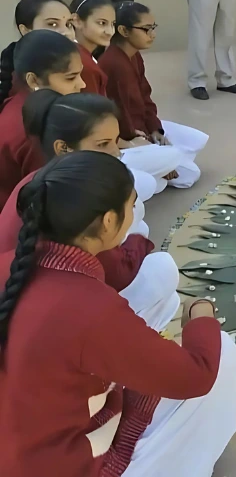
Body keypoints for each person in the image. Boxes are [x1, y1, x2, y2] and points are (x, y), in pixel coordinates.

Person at [0, 151, 236, 477]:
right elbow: (193, 376)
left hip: (18, 444)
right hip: (54, 463)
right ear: (109, 220)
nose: (134, 212)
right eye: (132, 203)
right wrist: (201, 318)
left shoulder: (16, 265)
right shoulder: (87, 307)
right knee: (221, 355)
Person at [0, 90, 176, 330]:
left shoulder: (46, 178)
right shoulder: (79, 199)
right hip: (52, 316)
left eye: (115, 142)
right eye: (103, 144)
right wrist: (138, 243)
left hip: (31, 299)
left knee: (139, 215)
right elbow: (117, 273)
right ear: (63, 148)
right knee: (164, 267)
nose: (116, 153)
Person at [100, 2, 206, 191]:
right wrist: (147, 145)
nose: (153, 34)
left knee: (196, 140)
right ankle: (154, 167)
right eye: (146, 29)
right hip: (126, 139)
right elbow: (119, 115)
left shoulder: (134, 56)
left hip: (143, 129)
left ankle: (162, 161)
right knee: (189, 175)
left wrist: (155, 129)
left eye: (153, 28)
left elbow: (145, 97)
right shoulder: (113, 63)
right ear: (124, 30)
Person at [0, 31, 85, 208]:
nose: (82, 84)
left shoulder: (19, 102)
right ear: (33, 80)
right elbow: (46, 199)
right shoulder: (35, 127)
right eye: (71, 78)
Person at [70, 0, 113, 95]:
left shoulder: (82, 55)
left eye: (113, 24)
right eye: (102, 23)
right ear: (77, 21)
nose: (110, 31)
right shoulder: (83, 65)